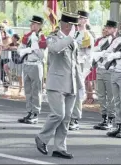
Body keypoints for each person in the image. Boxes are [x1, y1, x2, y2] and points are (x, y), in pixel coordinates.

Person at [35, 12, 84, 159]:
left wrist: (80, 85)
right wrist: (70, 37)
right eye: (75, 25)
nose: (78, 28)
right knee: (58, 114)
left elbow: (75, 64)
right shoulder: (53, 37)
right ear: (68, 25)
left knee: (66, 118)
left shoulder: (73, 41)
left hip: (71, 84)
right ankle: (42, 138)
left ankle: (59, 148)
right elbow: (55, 49)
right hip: (56, 83)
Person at [17, 15, 47, 124]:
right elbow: (20, 48)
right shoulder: (27, 36)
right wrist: (25, 51)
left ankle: (35, 113)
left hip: (36, 64)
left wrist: (35, 47)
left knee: (36, 91)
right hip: (27, 64)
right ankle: (29, 112)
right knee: (28, 90)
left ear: (39, 25)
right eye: (31, 23)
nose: (32, 25)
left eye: (34, 24)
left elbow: (41, 54)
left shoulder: (42, 37)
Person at [69, 10, 94, 131]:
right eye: (78, 18)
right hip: (70, 66)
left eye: (81, 18)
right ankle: (68, 116)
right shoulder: (73, 33)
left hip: (80, 67)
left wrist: (84, 73)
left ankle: (75, 118)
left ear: (85, 20)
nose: (78, 20)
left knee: (78, 94)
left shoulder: (87, 35)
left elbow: (88, 56)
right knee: (69, 93)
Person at [92, 20, 118, 130]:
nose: (106, 29)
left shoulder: (117, 41)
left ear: (115, 29)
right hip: (101, 69)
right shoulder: (102, 41)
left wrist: (103, 54)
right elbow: (95, 51)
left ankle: (111, 118)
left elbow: (112, 55)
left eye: (109, 28)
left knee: (111, 96)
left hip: (110, 70)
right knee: (101, 95)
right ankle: (104, 117)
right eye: (106, 27)